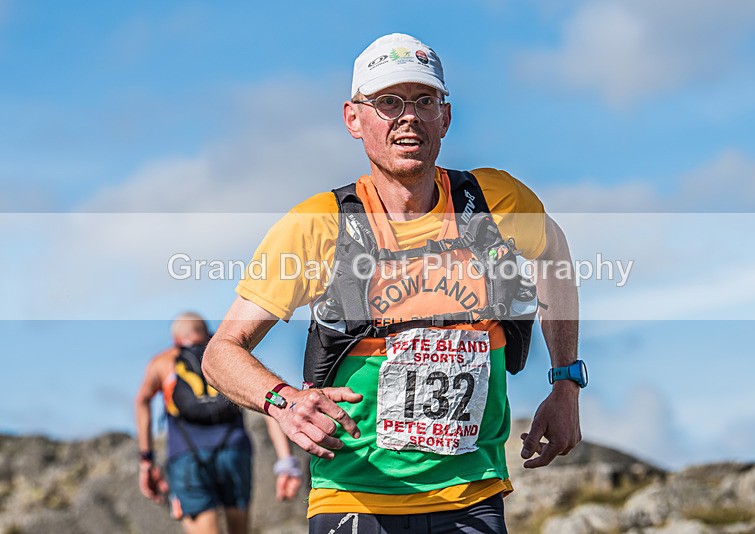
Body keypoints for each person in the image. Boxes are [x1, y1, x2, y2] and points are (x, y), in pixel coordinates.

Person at [203, 33, 582, 533]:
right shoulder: (318, 225)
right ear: (353, 119)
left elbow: (555, 261)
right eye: (388, 103)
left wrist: (565, 383)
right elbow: (221, 353)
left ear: (444, 117)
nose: (409, 117)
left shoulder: (496, 200)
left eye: (425, 100)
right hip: (354, 496)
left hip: (471, 494)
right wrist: (284, 402)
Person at [135, 312, 302, 534]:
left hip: (187, 457)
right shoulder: (228, 359)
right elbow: (267, 405)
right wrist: (285, 461)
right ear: (207, 333)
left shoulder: (163, 363)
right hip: (234, 451)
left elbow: (142, 401)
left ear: (176, 339)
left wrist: (147, 460)